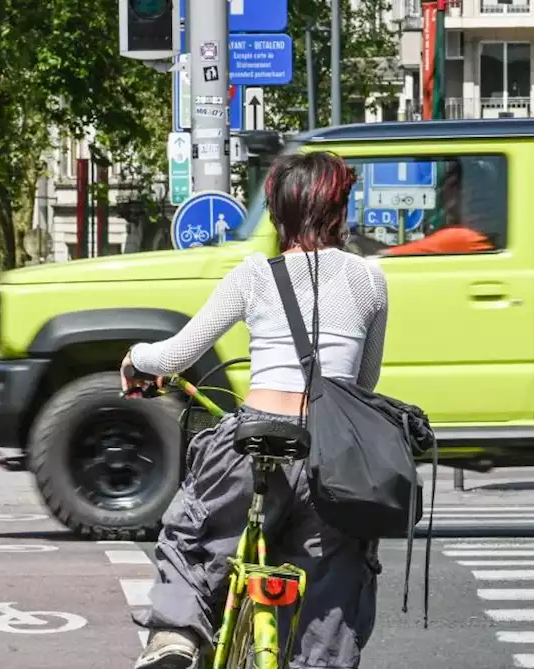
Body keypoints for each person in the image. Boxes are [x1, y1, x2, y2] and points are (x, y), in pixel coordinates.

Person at [121, 151, 388, 669]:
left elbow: (178, 354)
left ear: (277, 213)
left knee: (192, 538)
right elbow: (365, 383)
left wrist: (136, 359)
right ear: (339, 209)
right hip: (333, 458)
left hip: (253, 442)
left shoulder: (254, 275)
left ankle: (175, 640)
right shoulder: (370, 281)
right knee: (330, 585)